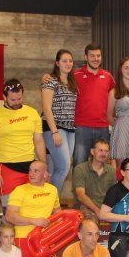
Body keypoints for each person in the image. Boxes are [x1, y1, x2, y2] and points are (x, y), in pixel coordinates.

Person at [0, 79, 45, 206]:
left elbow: (39, 141)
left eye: (19, 99)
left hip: (30, 167)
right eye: (13, 100)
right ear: (4, 97)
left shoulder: (32, 113)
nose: (17, 102)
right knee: (10, 208)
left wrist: (44, 166)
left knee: (32, 207)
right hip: (7, 167)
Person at [71, 43, 116, 165]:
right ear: (86, 57)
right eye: (92, 56)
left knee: (102, 165)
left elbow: (121, 91)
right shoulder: (75, 76)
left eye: (98, 56)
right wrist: (47, 77)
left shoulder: (108, 76)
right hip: (82, 127)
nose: (96, 59)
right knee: (79, 164)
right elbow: (60, 81)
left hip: (103, 128)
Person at [40, 49, 77, 192]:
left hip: (70, 129)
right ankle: (52, 201)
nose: (68, 63)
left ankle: (50, 199)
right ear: (57, 63)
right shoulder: (50, 80)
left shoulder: (72, 82)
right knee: (64, 167)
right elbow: (46, 108)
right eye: (64, 61)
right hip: (54, 127)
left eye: (70, 61)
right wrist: (55, 132)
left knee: (58, 168)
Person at [72, 138, 116, 217]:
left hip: (105, 208)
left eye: (106, 151)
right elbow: (81, 196)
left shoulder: (111, 171)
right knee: (90, 222)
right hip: (85, 207)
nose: (103, 154)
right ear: (92, 151)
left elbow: (113, 194)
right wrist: (97, 211)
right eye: (100, 150)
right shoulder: (80, 169)